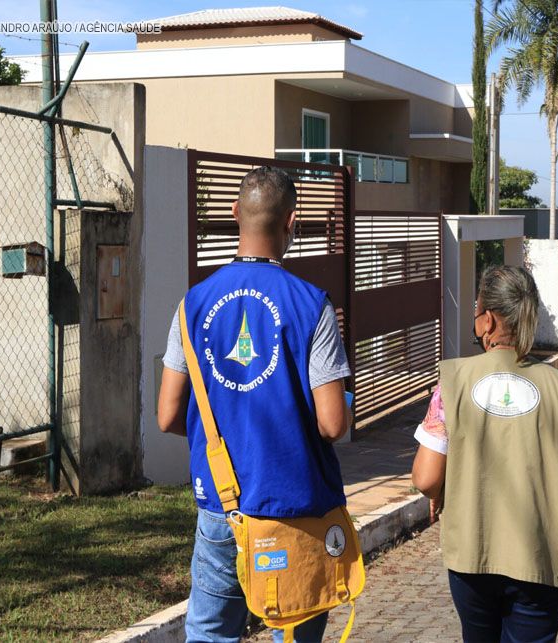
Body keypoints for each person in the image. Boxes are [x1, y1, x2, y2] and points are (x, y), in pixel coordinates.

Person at [157, 166, 352, 643]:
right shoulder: (313, 306)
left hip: (223, 506)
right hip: (298, 507)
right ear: (292, 223)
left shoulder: (192, 306)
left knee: (210, 635)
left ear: (233, 214)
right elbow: (332, 423)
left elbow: (167, 415)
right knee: (298, 629)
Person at [411, 265, 558, 643]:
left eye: (477, 312)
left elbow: (426, 477)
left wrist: (438, 494)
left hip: (471, 559)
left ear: (489, 320)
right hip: (542, 561)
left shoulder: (451, 383)